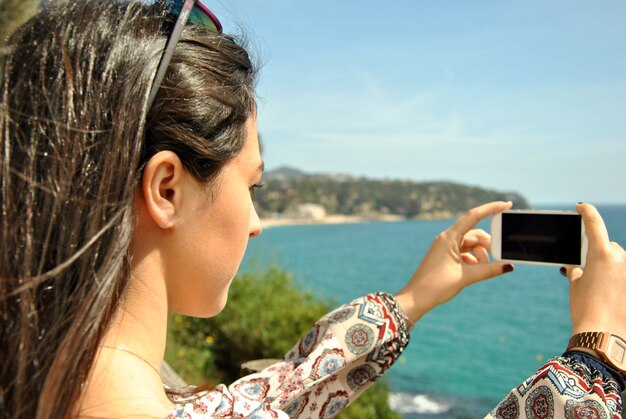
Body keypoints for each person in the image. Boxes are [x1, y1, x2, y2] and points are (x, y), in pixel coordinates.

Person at [0, 1, 623, 418]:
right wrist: (598, 352)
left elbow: (273, 395)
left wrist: (410, 302)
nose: (255, 221)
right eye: (254, 186)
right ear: (166, 189)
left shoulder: (60, 372)